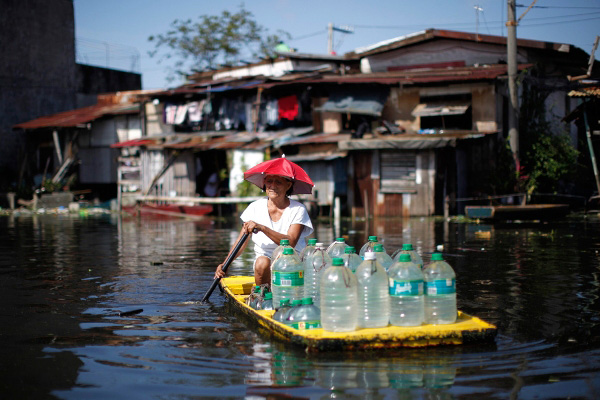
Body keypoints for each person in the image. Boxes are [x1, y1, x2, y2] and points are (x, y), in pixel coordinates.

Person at [214, 174, 313, 285]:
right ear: (264, 183)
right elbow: (241, 242)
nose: (272, 186)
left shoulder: (298, 209)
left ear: (288, 185)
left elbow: (290, 242)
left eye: (278, 182)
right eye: (269, 181)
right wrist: (226, 264)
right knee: (261, 262)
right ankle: (262, 296)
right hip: (265, 264)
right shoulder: (255, 207)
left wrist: (262, 228)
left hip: (291, 261)